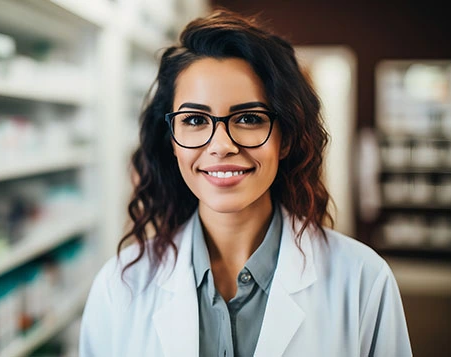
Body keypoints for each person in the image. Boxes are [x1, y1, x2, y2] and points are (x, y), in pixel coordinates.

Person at [79, 9, 412, 357]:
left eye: (249, 118)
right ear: (171, 140)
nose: (222, 145)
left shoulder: (362, 280)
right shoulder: (119, 285)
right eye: (194, 119)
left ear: (285, 139)